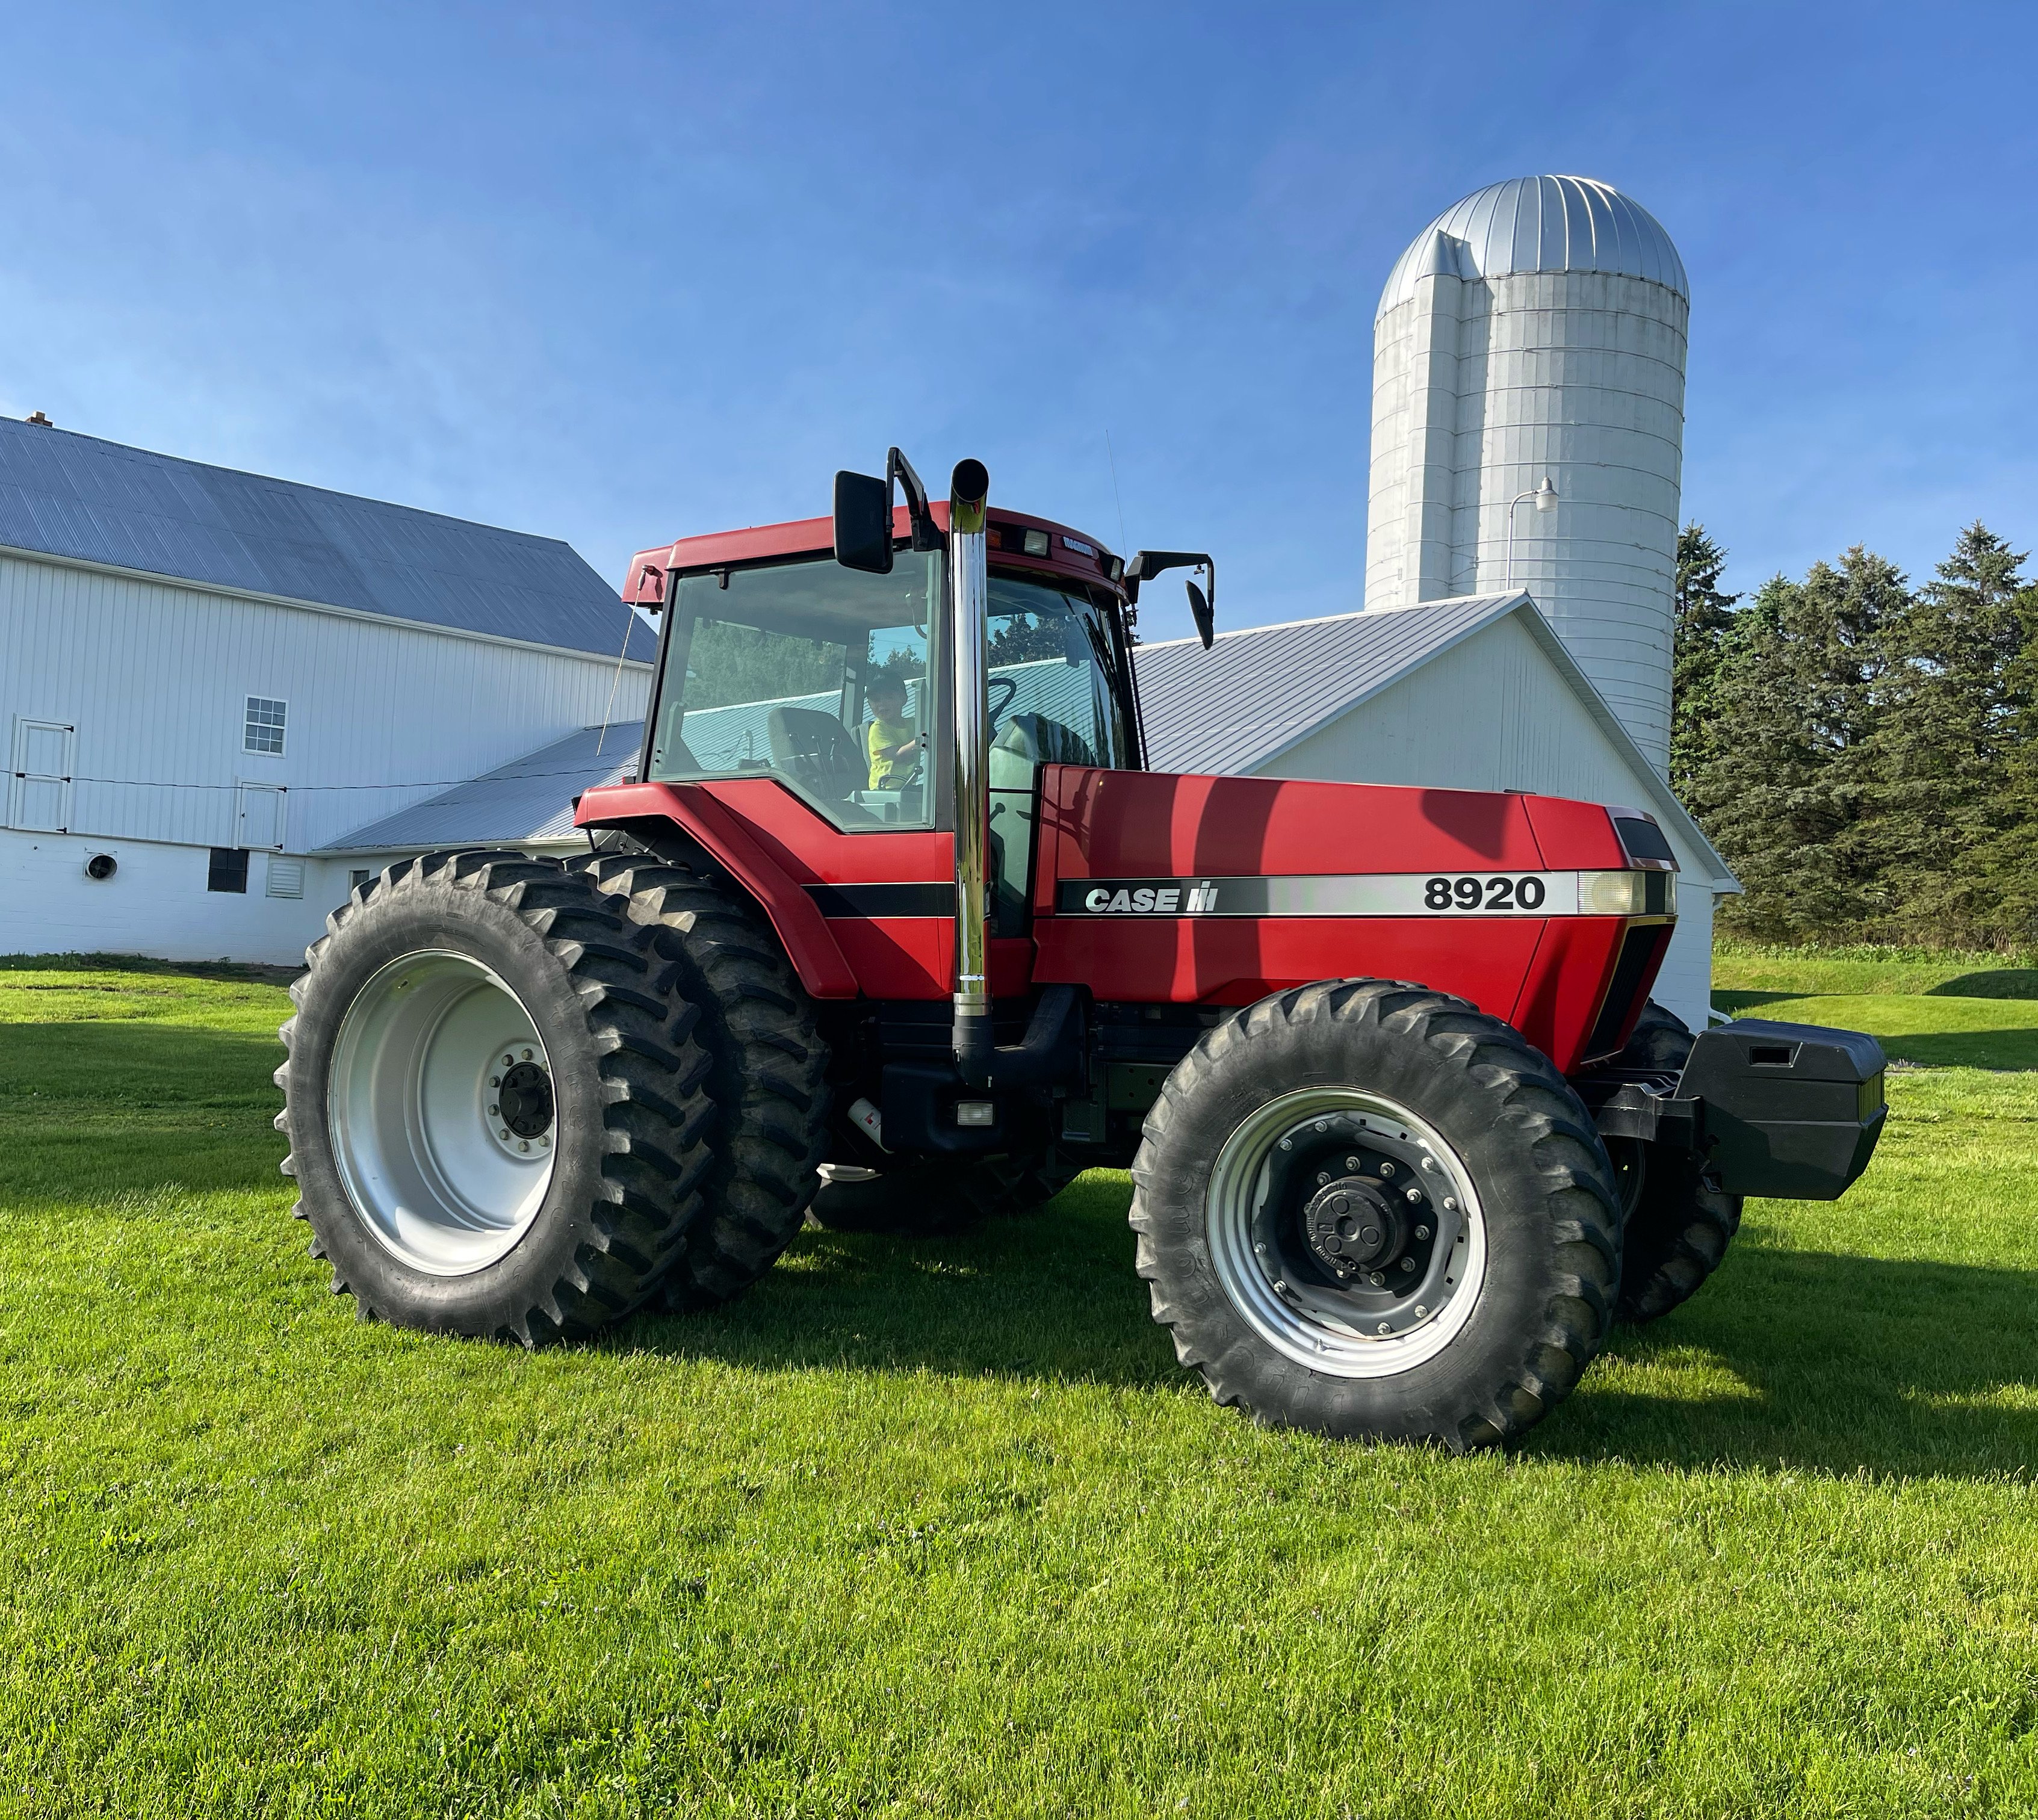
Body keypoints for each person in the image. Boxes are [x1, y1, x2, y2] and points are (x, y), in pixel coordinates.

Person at [864, 673, 919, 790]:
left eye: (889, 697)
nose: (881, 704)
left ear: (903, 699)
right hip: (884, 791)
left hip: (905, 787)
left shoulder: (914, 724)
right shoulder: (877, 729)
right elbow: (897, 755)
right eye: (876, 699)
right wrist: (922, 741)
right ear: (869, 704)